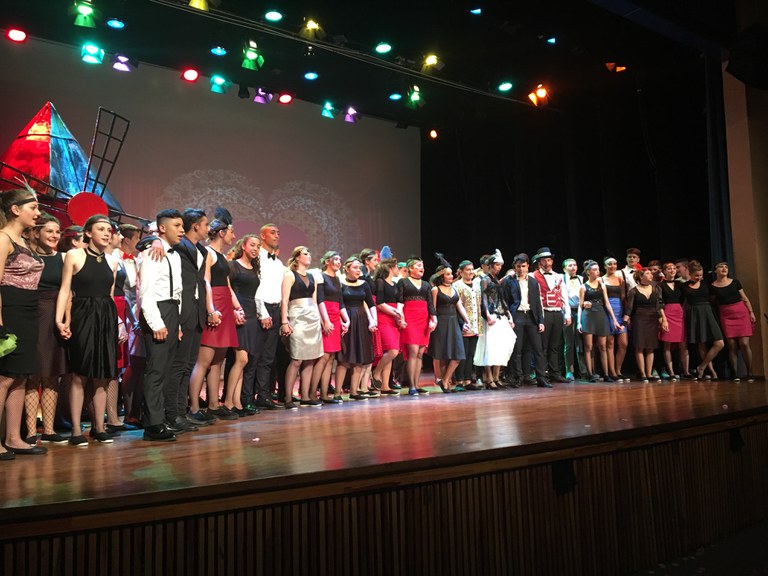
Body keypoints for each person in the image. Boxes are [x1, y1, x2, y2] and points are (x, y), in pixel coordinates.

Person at [56, 214, 126, 446]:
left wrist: (118, 323)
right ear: (88, 232)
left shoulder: (113, 262)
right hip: (82, 315)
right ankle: (76, 430)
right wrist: (60, 320)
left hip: (105, 317)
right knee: (80, 375)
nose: (106, 233)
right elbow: (65, 290)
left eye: (108, 230)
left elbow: (110, 296)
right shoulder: (74, 255)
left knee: (102, 376)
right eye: (101, 229)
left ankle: (99, 427)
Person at [0, 185, 46, 458]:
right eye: (33, 207)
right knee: (5, 377)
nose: (38, 213)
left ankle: (14, 438)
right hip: (11, 311)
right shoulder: (3, 239)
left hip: (29, 311)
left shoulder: (24, 240)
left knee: (20, 377)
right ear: (16, 210)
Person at [188, 215, 243, 421]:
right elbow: (206, 283)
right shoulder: (208, 253)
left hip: (225, 305)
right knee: (204, 360)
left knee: (218, 360)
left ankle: (213, 405)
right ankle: (194, 408)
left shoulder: (222, 256)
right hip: (215, 304)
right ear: (221, 233)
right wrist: (211, 309)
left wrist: (237, 307)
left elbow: (227, 285)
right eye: (231, 232)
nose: (233, 236)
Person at [137, 209, 186, 441]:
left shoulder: (174, 255)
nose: (182, 230)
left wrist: (177, 324)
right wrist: (156, 323)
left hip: (172, 311)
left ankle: (161, 418)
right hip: (158, 310)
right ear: (163, 228)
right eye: (177, 226)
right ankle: (152, 425)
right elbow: (146, 291)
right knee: (156, 370)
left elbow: (177, 291)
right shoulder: (152, 252)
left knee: (166, 369)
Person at [25, 213, 69, 445]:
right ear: (37, 232)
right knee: (34, 374)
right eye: (49, 231)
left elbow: (68, 291)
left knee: (52, 373)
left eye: (57, 231)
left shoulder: (63, 257)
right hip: (33, 314)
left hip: (56, 315)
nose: (54, 235)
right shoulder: (27, 255)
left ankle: (49, 430)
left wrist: (65, 319)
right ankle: (30, 431)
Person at [280, 246, 323, 408]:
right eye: (305, 253)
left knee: (310, 359)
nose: (309, 256)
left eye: (309, 253)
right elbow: (284, 300)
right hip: (297, 317)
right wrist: (284, 321)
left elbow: (315, 300)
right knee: (297, 359)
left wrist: (320, 319)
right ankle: (288, 398)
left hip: (312, 317)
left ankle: (305, 396)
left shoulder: (312, 276)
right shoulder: (290, 275)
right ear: (297, 257)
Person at [225, 234, 262, 415]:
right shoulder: (233, 265)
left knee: (244, 361)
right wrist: (235, 309)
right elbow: (227, 289)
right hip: (239, 312)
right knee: (241, 359)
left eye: (258, 246)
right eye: (252, 245)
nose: (256, 249)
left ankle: (237, 403)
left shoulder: (254, 268)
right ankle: (228, 403)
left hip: (252, 313)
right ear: (244, 246)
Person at [333, 256, 378, 401]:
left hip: (361, 320)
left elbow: (370, 304)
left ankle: (354, 391)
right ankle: (337, 393)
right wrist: (343, 320)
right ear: (346, 269)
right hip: (347, 320)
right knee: (344, 358)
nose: (358, 270)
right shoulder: (340, 283)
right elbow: (339, 303)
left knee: (359, 357)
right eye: (355, 267)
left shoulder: (364, 284)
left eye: (359, 268)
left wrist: (373, 321)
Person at [251, 223, 284, 410]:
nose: (277, 236)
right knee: (255, 356)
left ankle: (263, 396)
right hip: (261, 309)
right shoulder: (257, 258)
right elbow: (256, 288)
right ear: (262, 236)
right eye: (272, 232)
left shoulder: (278, 263)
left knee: (268, 357)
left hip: (276, 309)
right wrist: (262, 312)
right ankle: (247, 397)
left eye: (278, 233)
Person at [503, 253, 548, 388]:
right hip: (517, 316)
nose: (521, 269)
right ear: (515, 267)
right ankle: (518, 377)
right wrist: (509, 318)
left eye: (523, 266)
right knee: (517, 349)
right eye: (518, 266)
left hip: (531, 316)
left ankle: (541, 377)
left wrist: (541, 321)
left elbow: (537, 302)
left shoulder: (533, 281)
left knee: (537, 348)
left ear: (528, 266)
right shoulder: (510, 281)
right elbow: (505, 301)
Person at [312, 251, 350, 403]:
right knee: (324, 356)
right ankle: (312, 393)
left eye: (340, 259)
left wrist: (346, 320)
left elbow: (340, 302)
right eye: (336, 259)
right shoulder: (321, 277)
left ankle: (324, 394)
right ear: (327, 261)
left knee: (331, 357)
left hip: (335, 317)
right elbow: (320, 300)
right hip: (326, 316)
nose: (339, 262)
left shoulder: (337, 279)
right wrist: (326, 321)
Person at [474, 250, 515, 388]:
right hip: (491, 315)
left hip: (500, 314)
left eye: (500, 265)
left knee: (501, 345)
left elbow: (502, 299)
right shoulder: (485, 279)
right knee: (489, 347)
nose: (499, 268)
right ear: (491, 265)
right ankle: (489, 378)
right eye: (497, 265)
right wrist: (487, 314)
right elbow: (484, 298)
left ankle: (496, 376)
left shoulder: (496, 280)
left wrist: (509, 315)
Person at [428, 257, 470, 393]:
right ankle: (443, 380)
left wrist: (467, 320)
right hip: (441, 323)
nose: (451, 276)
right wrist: (433, 321)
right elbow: (433, 308)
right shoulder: (435, 290)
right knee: (442, 354)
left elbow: (459, 306)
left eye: (451, 274)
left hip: (453, 323)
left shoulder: (454, 289)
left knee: (458, 354)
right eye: (448, 274)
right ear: (441, 276)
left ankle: (446, 379)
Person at [710, 262, 756, 382]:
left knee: (744, 343)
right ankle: (735, 374)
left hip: (741, 313)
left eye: (726, 267)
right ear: (715, 271)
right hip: (726, 315)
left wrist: (751, 312)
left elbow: (744, 298)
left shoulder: (735, 282)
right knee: (731, 345)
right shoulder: (713, 286)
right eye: (721, 267)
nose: (724, 268)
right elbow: (712, 302)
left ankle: (750, 372)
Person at [398, 257, 437, 396]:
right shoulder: (403, 282)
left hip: (423, 319)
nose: (422, 268)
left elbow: (430, 303)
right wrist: (401, 317)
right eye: (419, 265)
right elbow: (400, 301)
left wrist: (434, 319)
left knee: (420, 353)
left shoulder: (426, 284)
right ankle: (411, 386)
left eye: (423, 266)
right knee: (413, 352)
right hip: (410, 318)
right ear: (410, 268)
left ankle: (417, 384)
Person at [531, 247, 571, 383]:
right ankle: (541, 374)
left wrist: (567, 314)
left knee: (555, 345)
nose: (547, 263)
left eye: (549, 260)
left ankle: (555, 372)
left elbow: (564, 296)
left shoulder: (559, 276)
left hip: (557, 312)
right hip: (544, 313)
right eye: (544, 260)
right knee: (542, 346)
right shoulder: (533, 276)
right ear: (539, 262)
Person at [578, 260, 622, 382]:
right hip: (588, 316)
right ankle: (590, 374)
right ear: (588, 272)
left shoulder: (602, 285)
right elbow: (580, 306)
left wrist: (614, 320)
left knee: (602, 346)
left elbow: (607, 303)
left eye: (598, 269)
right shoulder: (583, 287)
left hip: (601, 314)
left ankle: (606, 374)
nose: (597, 272)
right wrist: (579, 322)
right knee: (588, 346)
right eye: (594, 270)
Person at [681, 260, 724, 380]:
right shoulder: (684, 286)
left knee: (719, 343)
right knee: (702, 344)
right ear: (690, 273)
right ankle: (711, 371)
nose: (699, 277)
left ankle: (701, 367)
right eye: (696, 275)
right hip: (695, 314)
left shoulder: (706, 284)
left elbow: (716, 295)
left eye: (700, 275)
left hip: (708, 312)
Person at [623, 268, 667, 382]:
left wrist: (663, 319)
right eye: (648, 273)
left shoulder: (656, 288)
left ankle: (649, 373)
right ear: (641, 277)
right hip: (639, 319)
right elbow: (629, 308)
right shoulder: (633, 291)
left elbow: (660, 305)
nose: (651, 275)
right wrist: (625, 320)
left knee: (650, 347)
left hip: (652, 319)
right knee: (640, 346)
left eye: (651, 273)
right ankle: (642, 373)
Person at [371, 257, 403, 395]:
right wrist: (395, 312)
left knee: (390, 353)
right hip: (384, 317)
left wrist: (400, 316)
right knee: (392, 351)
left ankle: (385, 386)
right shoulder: (380, 282)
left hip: (393, 319)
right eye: (396, 267)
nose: (398, 269)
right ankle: (376, 373)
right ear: (390, 267)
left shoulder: (395, 284)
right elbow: (379, 303)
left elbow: (399, 301)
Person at [453, 260, 482, 390]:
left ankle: (467, 380)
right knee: (462, 353)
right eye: (467, 270)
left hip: (475, 323)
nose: (471, 272)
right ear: (461, 271)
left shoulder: (476, 285)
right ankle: (459, 380)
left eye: (472, 269)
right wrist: (462, 322)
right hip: (463, 323)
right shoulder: (457, 286)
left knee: (471, 353)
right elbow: (456, 305)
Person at [658, 262, 689, 380]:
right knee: (667, 344)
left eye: (674, 268)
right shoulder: (660, 285)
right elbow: (659, 303)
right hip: (667, 314)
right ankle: (671, 372)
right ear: (664, 271)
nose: (672, 270)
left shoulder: (680, 284)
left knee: (683, 344)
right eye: (669, 268)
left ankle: (686, 371)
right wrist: (664, 319)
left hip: (679, 314)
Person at [602, 256, 628, 381]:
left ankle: (618, 369)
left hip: (620, 311)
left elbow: (623, 297)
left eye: (615, 264)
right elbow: (604, 300)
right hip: (607, 312)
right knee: (610, 343)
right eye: (610, 264)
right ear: (605, 266)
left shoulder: (620, 279)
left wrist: (626, 314)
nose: (612, 266)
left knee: (623, 343)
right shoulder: (601, 280)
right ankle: (612, 372)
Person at [562, 258, 585, 381]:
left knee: (581, 342)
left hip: (581, 311)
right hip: (568, 312)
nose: (573, 267)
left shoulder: (581, 278)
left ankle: (584, 370)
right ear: (564, 268)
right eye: (570, 265)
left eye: (574, 265)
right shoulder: (561, 279)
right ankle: (569, 370)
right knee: (569, 343)